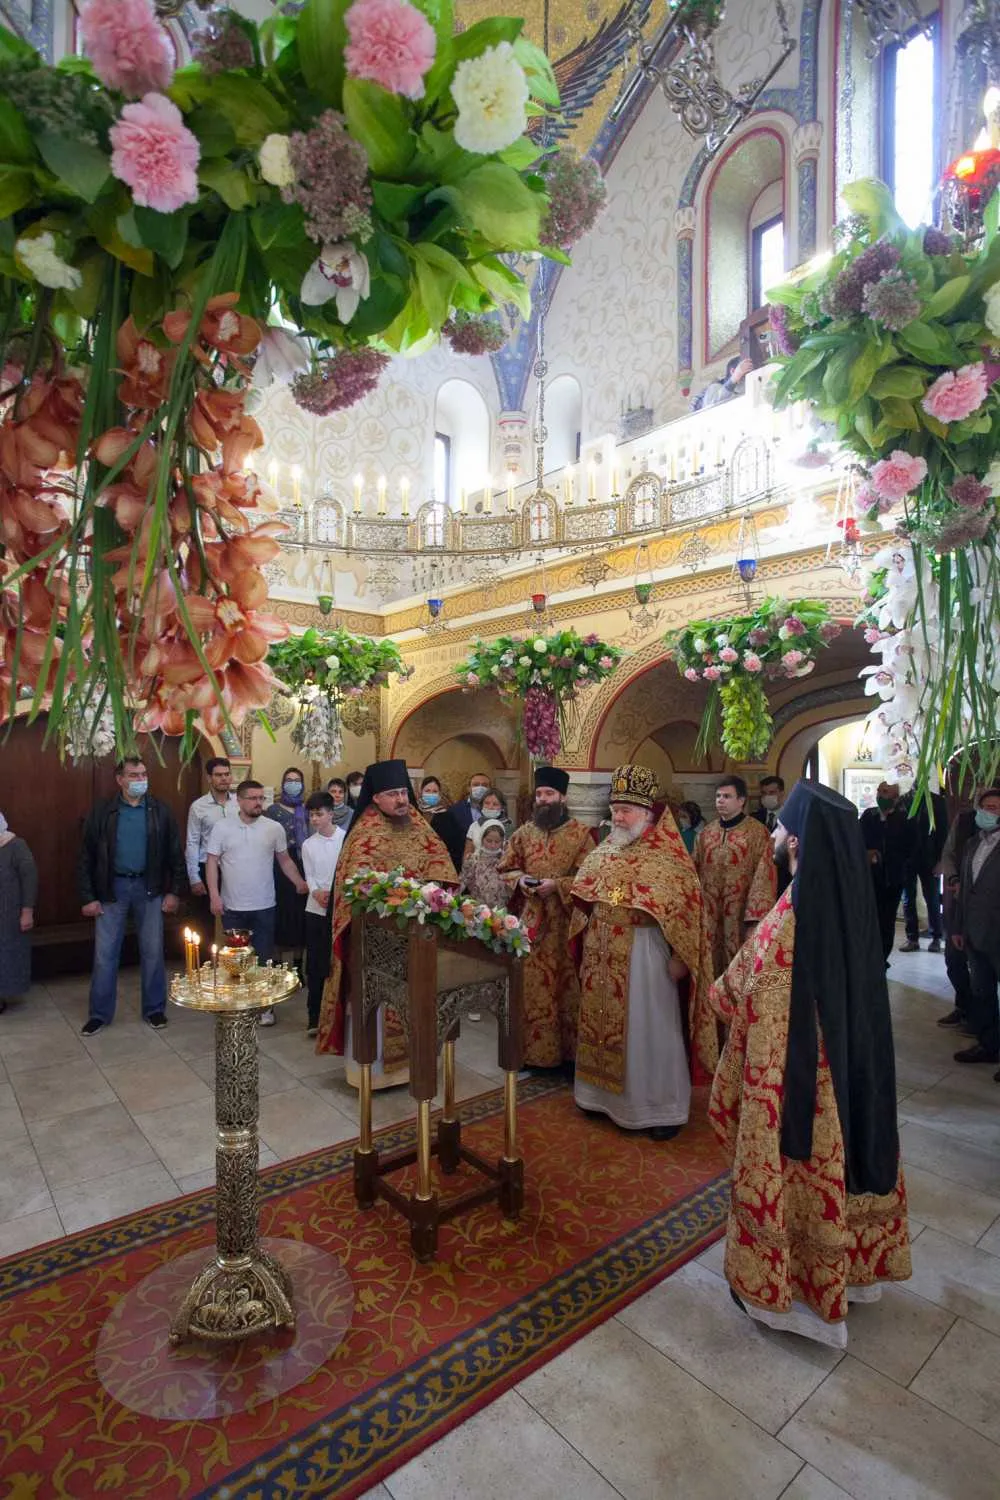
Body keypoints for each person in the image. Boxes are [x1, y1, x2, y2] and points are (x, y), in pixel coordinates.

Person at [709, 780, 911, 1349]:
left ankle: (789, 1292)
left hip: (799, 1086)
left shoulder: (789, 915)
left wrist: (718, 996)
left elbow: (742, 994)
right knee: (843, 1166)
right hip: (848, 1073)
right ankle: (847, 1272)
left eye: (780, 828)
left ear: (797, 840)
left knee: (797, 1176)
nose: (773, 835)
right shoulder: (851, 905)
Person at [569, 766, 703, 1140]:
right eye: (615, 808)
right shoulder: (606, 848)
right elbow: (584, 893)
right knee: (599, 1023)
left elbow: (688, 909)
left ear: (647, 814)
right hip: (601, 948)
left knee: (650, 1029)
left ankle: (657, 1108)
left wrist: (680, 955)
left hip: (645, 953)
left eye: (627, 809)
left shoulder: (669, 857)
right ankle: (598, 1096)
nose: (619, 816)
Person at [316, 758, 456, 1087]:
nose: (402, 800)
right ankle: (374, 1075)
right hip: (376, 938)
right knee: (377, 1000)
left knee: (417, 998)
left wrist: (432, 892)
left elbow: (442, 863)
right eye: (393, 794)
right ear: (376, 797)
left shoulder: (418, 824)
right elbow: (354, 886)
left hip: (418, 935)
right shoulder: (364, 832)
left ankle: (413, 1067)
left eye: (404, 792)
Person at [498, 767, 597, 1071]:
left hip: (565, 926)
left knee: (566, 989)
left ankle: (566, 1057)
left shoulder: (582, 834)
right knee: (529, 987)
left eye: (549, 794)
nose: (543, 799)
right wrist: (522, 880)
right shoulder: (524, 833)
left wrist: (558, 885)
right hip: (531, 924)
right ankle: (530, 1053)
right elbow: (505, 869)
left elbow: (590, 877)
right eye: (539, 794)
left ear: (562, 797)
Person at [78, 755, 184, 1035]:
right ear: (120, 779)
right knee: (105, 955)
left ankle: (154, 1009)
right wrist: (88, 896)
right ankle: (99, 1014)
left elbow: (175, 854)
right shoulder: (103, 811)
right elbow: (86, 857)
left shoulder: (159, 810)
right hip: (112, 889)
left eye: (143, 775)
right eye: (134, 775)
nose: (140, 780)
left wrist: (174, 891)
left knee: (152, 952)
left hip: (149, 889)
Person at [205, 779, 309, 1026]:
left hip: (264, 904)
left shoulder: (273, 828)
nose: (258, 802)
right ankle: (236, 1004)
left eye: (261, 798)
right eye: (252, 798)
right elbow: (211, 862)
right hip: (233, 905)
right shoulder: (222, 828)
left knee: (263, 958)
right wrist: (214, 895)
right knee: (235, 960)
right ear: (239, 800)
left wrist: (299, 882)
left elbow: (284, 860)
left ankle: (265, 1007)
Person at [691, 774, 776, 1074]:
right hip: (710, 921)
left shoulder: (757, 834)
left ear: (742, 800)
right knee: (711, 977)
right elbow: (694, 873)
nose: (720, 802)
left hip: (740, 924)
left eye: (727, 796)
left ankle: (737, 1048)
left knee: (737, 982)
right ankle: (710, 1044)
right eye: (717, 797)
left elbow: (764, 877)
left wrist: (755, 921)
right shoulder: (707, 834)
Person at [950, 786, 1000, 1073]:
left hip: (997, 931)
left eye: (995, 807)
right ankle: (988, 1045)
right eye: (986, 807)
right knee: (982, 992)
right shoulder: (972, 844)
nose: (989, 812)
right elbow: (966, 890)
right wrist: (958, 927)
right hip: (973, 932)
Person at [301, 791, 347, 1038]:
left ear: (331, 813)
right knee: (317, 963)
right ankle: (314, 1016)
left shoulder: (345, 839)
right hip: (316, 908)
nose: (315, 819)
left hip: (339, 907)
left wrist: (334, 893)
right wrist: (316, 891)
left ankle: (340, 1015)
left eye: (319, 814)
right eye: (312, 814)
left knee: (340, 961)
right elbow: (309, 874)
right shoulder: (308, 844)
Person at [859, 781, 918, 963]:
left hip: (893, 879)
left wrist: (892, 859)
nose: (879, 795)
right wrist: (866, 853)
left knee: (886, 921)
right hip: (869, 879)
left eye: (884, 792)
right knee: (868, 920)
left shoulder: (906, 818)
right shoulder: (869, 816)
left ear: (895, 797)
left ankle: (882, 959)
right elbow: (857, 840)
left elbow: (912, 848)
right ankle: (867, 958)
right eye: (879, 790)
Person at [936, 802, 978, 1029]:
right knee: (954, 958)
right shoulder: (964, 820)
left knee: (982, 966)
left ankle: (982, 1019)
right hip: (959, 900)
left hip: (988, 906)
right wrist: (953, 879)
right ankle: (964, 1007)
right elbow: (949, 853)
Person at [266, 766, 310, 972]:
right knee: (281, 916)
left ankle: (298, 968)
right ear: (283, 784)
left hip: (304, 865)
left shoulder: (307, 810)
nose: (293, 783)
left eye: (297, 780)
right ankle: (278, 968)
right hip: (279, 866)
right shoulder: (272, 811)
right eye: (289, 780)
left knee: (300, 918)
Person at [185, 756, 236, 929]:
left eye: (227, 774)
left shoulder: (239, 803)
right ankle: (205, 956)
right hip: (206, 867)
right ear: (209, 778)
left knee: (234, 921)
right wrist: (194, 877)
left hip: (234, 868)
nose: (224, 778)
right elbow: (192, 842)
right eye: (218, 775)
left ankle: (235, 956)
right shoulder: (198, 807)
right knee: (204, 924)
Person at [899, 788, 948, 953]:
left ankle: (936, 937)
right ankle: (912, 938)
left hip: (930, 857)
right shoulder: (902, 800)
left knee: (932, 898)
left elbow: (943, 831)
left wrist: (942, 860)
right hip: (907, 858)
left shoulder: (937, 801)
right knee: (908, 899)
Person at [0, 811, 37, 1014]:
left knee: (5, 956)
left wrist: (27, 911)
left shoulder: (16, 845)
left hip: (8, 913)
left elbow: (30, 878)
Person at [431, 770, 493, 872]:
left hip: (489, 867)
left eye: (485, 785)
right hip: (460, 867)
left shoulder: (496, 811)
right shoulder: (454, 811)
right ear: (469, 788)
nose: (480, 788)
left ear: (490, 789)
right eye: (476, 785)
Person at [460, 818, 509, 909]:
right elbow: (462, 881)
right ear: (482, 839)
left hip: (500, 909)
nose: (493, 845)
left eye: (497, 842)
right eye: (489, 841)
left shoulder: (506, 861)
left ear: (502, 841)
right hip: (478, 908)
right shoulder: (473, 859)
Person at [754, 777, 790, 896]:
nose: (767, 797)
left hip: (783, 879)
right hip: (759, 881)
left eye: (772, 793)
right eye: (764, 793)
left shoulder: (791, 818)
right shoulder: (753, 818)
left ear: (781, 793)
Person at [463, 786, 514, 858]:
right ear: (481, 805)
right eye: (487, 803)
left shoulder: (509, 827)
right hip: (476, 866)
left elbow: (511, 855)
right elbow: (467, 854)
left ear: (502, 808)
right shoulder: (474, 826)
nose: (490, 807)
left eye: (495, 804)